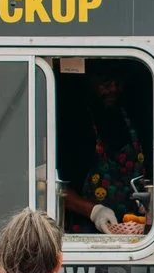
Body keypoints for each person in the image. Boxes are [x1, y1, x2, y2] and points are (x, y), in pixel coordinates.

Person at [57, 67, 147, 236]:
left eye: (117, 82)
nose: (113, 88)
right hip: (86, 235)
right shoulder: (73, 124)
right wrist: (94, 211)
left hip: (134, 234)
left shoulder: (133, 117)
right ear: (88, 79)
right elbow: (54, 189)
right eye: (105, 81)